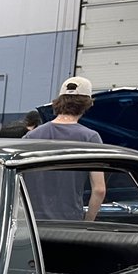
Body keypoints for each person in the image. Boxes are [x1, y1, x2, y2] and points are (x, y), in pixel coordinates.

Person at [22, 77, 106, 221]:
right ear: (87, 104)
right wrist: (87, 224)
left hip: (32, 223)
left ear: (59, 102)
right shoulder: (90, 138)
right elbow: (99, 190)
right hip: (69, 224)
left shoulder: (31, 136)